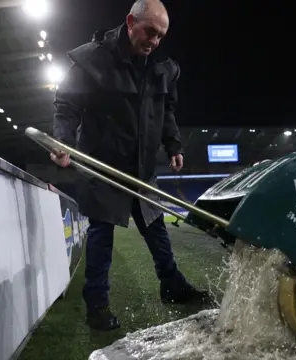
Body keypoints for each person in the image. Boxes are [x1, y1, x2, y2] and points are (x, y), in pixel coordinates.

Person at [50, 0, 211, 331]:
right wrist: (63, 140)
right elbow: (66, 104)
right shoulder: (94, 58)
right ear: (130, 22)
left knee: (156, 229)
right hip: (103, 166)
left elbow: (165, 110)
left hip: (142, 168)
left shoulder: (159, 68)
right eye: (150, 31)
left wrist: (174, 145)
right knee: (101, 233)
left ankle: (172, 285)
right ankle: (96, 304)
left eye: (161, 36)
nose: (154, 41)